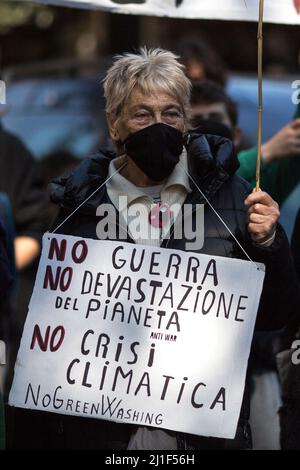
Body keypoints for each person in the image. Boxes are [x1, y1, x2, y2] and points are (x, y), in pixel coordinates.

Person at [11, 47, 300, 450]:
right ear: (114, 124)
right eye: (142, 115)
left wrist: (269, 243)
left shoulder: (231, 196)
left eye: (171, 113)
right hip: (101, 435)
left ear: (186, 121)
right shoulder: (78, 204)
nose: (158, 125)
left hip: (199, 438)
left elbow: (274, 314)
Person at [190, 80, 300, 207]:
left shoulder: (258, 185)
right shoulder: (176, 183)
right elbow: (209, 184)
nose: (208, 126)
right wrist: (265, 152)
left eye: (216, 119)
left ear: (236, 134)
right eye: (196, 121)